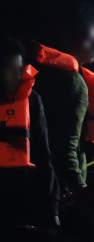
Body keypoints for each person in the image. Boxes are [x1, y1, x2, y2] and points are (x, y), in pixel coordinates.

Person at [28, 5, 94, 193]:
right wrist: (81, 189)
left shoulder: (39, 73)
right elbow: (67, 149)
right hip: (61, 184)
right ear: (67, 38)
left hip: (34, 175)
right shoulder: (74, 83)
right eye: (88, 40)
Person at [0, 37, 59, 230]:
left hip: (21, 197)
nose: (17, 77)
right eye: (10, 70)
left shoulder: (32, 101)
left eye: (19, 70)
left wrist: (52, 209)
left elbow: (43, 156)